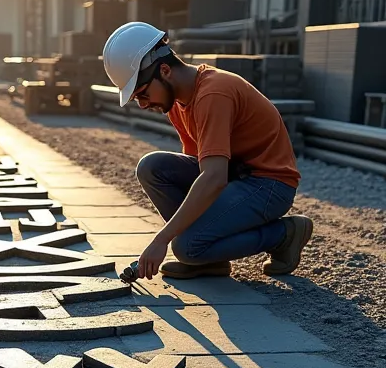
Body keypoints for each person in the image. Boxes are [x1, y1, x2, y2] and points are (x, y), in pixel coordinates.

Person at [102, 22, 313, 281]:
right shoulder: (178, 103)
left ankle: (283, 235)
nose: (143, 105)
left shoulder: (213, 93)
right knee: (152, 167)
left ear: (165, 70)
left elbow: (213, 179)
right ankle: (209, 259)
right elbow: (200, 168)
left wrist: (163, 239)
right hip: (237, 175)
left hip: (268, 184)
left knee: (185, 247)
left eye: (143, 94)